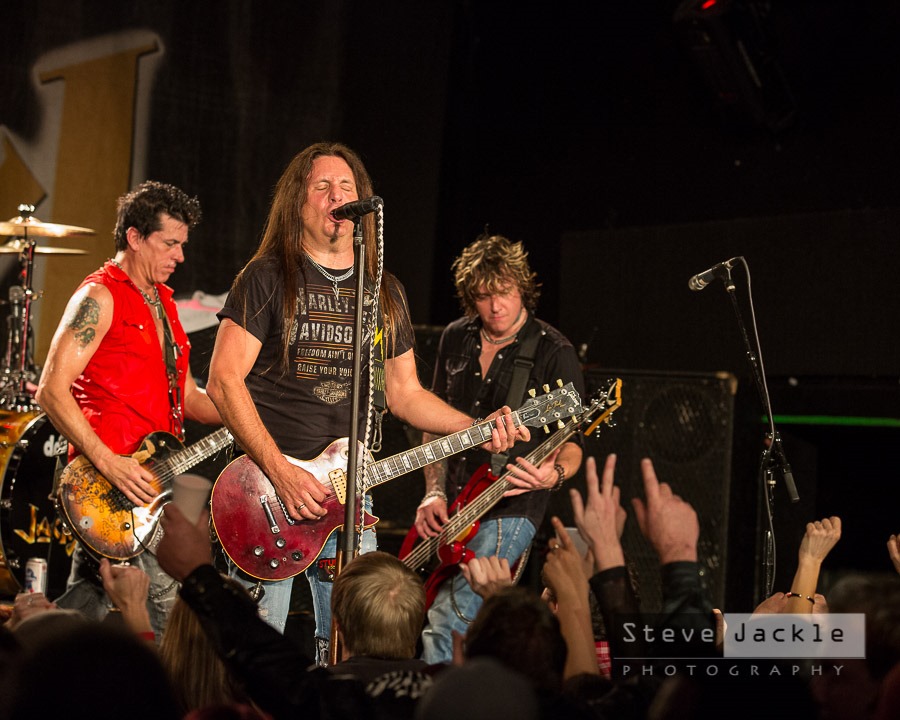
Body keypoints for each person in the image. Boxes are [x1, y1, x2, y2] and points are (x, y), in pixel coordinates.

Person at [205, 142, 526, 664]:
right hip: (267, 492)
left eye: (347, 188)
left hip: (350, 495)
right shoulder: (267, 276)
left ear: (364, 204)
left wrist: (478, 425)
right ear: (298, 203)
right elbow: (223, 382)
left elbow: (405, 395)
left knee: (360, 647)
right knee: (252, 650)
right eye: (323, 187)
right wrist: (283, 473)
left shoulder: (383, 292)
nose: (337, 196)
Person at [35, 180, 222, 637]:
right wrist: (111, 463)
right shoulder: (99, 296)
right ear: (135, 237)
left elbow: (191, 399)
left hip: (151, 486)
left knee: (90, 603)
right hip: (111, 485)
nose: (180, 256)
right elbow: (50, 390)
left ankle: (36, 663)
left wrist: (250, 410)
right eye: (170, 243)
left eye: (183, 244)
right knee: (170, 611)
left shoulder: (164, 304)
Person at [415, 232, 585, 663]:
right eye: (483, 296)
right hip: (453, 507)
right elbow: (432, 424)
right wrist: (433, 491)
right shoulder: (455, 337)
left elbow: (574, 446)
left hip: (510, 509)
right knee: (441, 621)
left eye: (504, 293)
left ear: (522, 288)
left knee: (448, 622)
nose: (495, 307)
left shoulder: (553, 350)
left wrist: (554, 474)